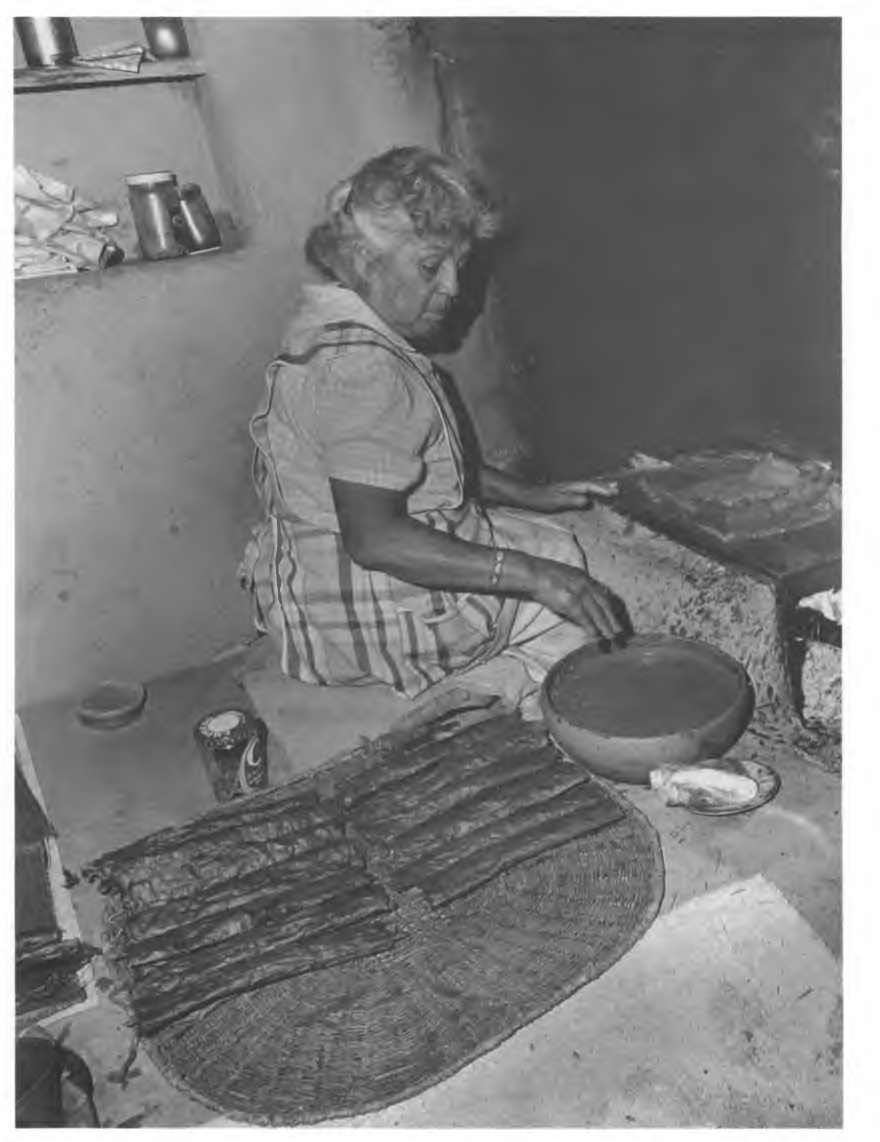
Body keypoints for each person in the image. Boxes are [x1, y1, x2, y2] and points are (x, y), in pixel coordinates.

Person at [239, 146, 625, 718]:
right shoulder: (364, 372)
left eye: (457, 268)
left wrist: (529, 495)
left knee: (536, 536)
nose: (450, 288)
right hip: (365, 621)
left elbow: (409, 467)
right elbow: (376, 538)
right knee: (555, 563)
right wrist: (536, 578)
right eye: (429, 265)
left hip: (311, 589)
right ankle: (544, 707)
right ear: (365, 259)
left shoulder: (329, 330)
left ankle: (502, 677)